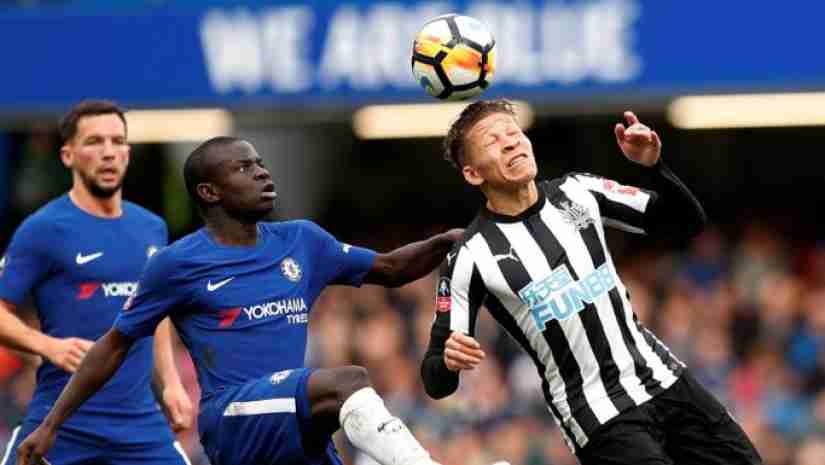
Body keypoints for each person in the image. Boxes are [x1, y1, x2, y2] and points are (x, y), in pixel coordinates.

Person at [16, 136, 463, 465]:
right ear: (209, 192)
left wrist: (447, 240)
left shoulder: (302, 240)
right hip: (232, 419)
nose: (263, 173)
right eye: (244, 168)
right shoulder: (177, 263)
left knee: (338, 393)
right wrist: (51, 425)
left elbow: (391, 268)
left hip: (294, 420)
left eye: (261, 164)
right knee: (350, 379)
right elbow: (113, 345)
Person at [421, 100, 763, 465]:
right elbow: (435, 380)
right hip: (599, 415)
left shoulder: (578, 191)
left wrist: (653, 167)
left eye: (513, 132)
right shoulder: (470, 256)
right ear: (473, 174)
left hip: (664, 379)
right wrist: (449, 361)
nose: (510, 142)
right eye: (493, 140)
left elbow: (686, 222)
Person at [0, 100, 192, 465]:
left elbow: (156, 310)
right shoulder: (42, 229)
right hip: (61, 424)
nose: (108, 152)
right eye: (94, 142)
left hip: (139, 424)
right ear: (68, 155)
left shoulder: (152, 228)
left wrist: (171, 382)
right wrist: (48, 346)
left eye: (117, 141)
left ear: (127, 153)